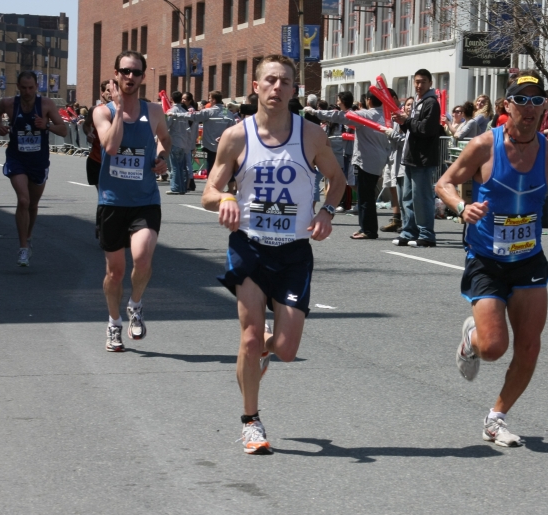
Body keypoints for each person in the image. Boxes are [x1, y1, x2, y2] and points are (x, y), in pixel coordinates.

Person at [435, 72, 548, 447]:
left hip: (528, 259)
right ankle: (472, 336)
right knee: (494, 348)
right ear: (505, 106)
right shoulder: (483, 146)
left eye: (537, 100)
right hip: (486, 259)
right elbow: (443, 183)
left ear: (545, 108)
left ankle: (496, 418)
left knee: (529, 346)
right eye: (521, 100)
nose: (529, 108)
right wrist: (462, 206)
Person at [201, 54, 346, 454]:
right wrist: (227, 196)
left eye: (284, 81)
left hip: (294, 251)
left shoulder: (312, 135)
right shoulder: (236, 136)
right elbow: (209, 191)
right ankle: (251, 422)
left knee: (285, 349)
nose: (276, 88)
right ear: (256, 85)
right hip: (249, 246)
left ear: (294, 89)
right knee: (248, 339)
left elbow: (337, 179)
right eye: (270, 80)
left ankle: (264, 348)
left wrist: (326, 212)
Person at [91, 51, 172, 352]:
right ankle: (113, 324)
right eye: (124, 71)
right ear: (116, 74)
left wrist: (161, 157)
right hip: (112, 202)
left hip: (145, 200)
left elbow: (165, 139)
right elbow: (111, 147)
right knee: (116, 272)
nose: (130, 77)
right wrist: (121, 107)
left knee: (142, 258)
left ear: (142, 77)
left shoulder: (153, 111)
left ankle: (135, 305)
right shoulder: (103, 112)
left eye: (135, 72)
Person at [0, 70, 69, 267]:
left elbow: (64, 130)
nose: (27, 91)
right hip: (17, 158)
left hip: (38, 160)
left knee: (33, 205)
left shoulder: (46, 105)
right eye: (24, 88)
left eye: (31, 88)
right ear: (18, 87)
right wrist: (0, 126)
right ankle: (23, 247)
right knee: (23, 200)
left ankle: (29, 235)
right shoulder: (9, 103)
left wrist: (47, 126)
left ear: (37, 87)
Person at [306, 92, 389, 239]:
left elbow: (339, 116)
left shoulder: (365, 115)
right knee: (366, 195)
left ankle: (368, 230)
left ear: (369, 100)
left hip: (367, 161)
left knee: (365, 197)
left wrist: (315, 112)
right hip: (380, 159)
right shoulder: (387, 117)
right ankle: (366, 228)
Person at [391, 69, 443, 248]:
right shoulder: (418, 102)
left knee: (422, 198)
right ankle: (408, 231)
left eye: (422, 82)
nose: (419, 85)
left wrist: (406, 121)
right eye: (417, 82)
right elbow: (414, 129)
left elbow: (426, 130)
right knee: (408, 198)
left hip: (423, 158)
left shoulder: (431, 103)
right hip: (411, 156)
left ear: (430, 83)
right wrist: (402, 122)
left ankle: (427, 234)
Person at [380, 95, 412, 233]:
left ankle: (409, 224)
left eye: (411, 104)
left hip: (404, 161)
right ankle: (398, 219)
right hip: (392, 157)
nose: (408, 107)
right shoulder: (392, 117)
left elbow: (406, 140)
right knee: (394, 189)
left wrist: (392, 134)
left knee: (405, 194)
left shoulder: (408, 120)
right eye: (407, 105)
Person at [164, 90, 196, 195]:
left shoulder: (171, 111)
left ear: (172, 99)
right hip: (184, 142)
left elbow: (167, 126)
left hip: (174, 141)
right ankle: (183, 187)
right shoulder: (184, 111)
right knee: (182, 166)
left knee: (175, 166)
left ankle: (175, 187)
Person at [84, 80, 112, 189]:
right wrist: (88, 133)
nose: (110, 93)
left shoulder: (124, 112)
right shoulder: (95, 110)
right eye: (108, 90)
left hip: (117, 161)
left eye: (113, 91)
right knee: (103, 195)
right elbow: (86, 125)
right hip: (97, 159)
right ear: (102, 93)